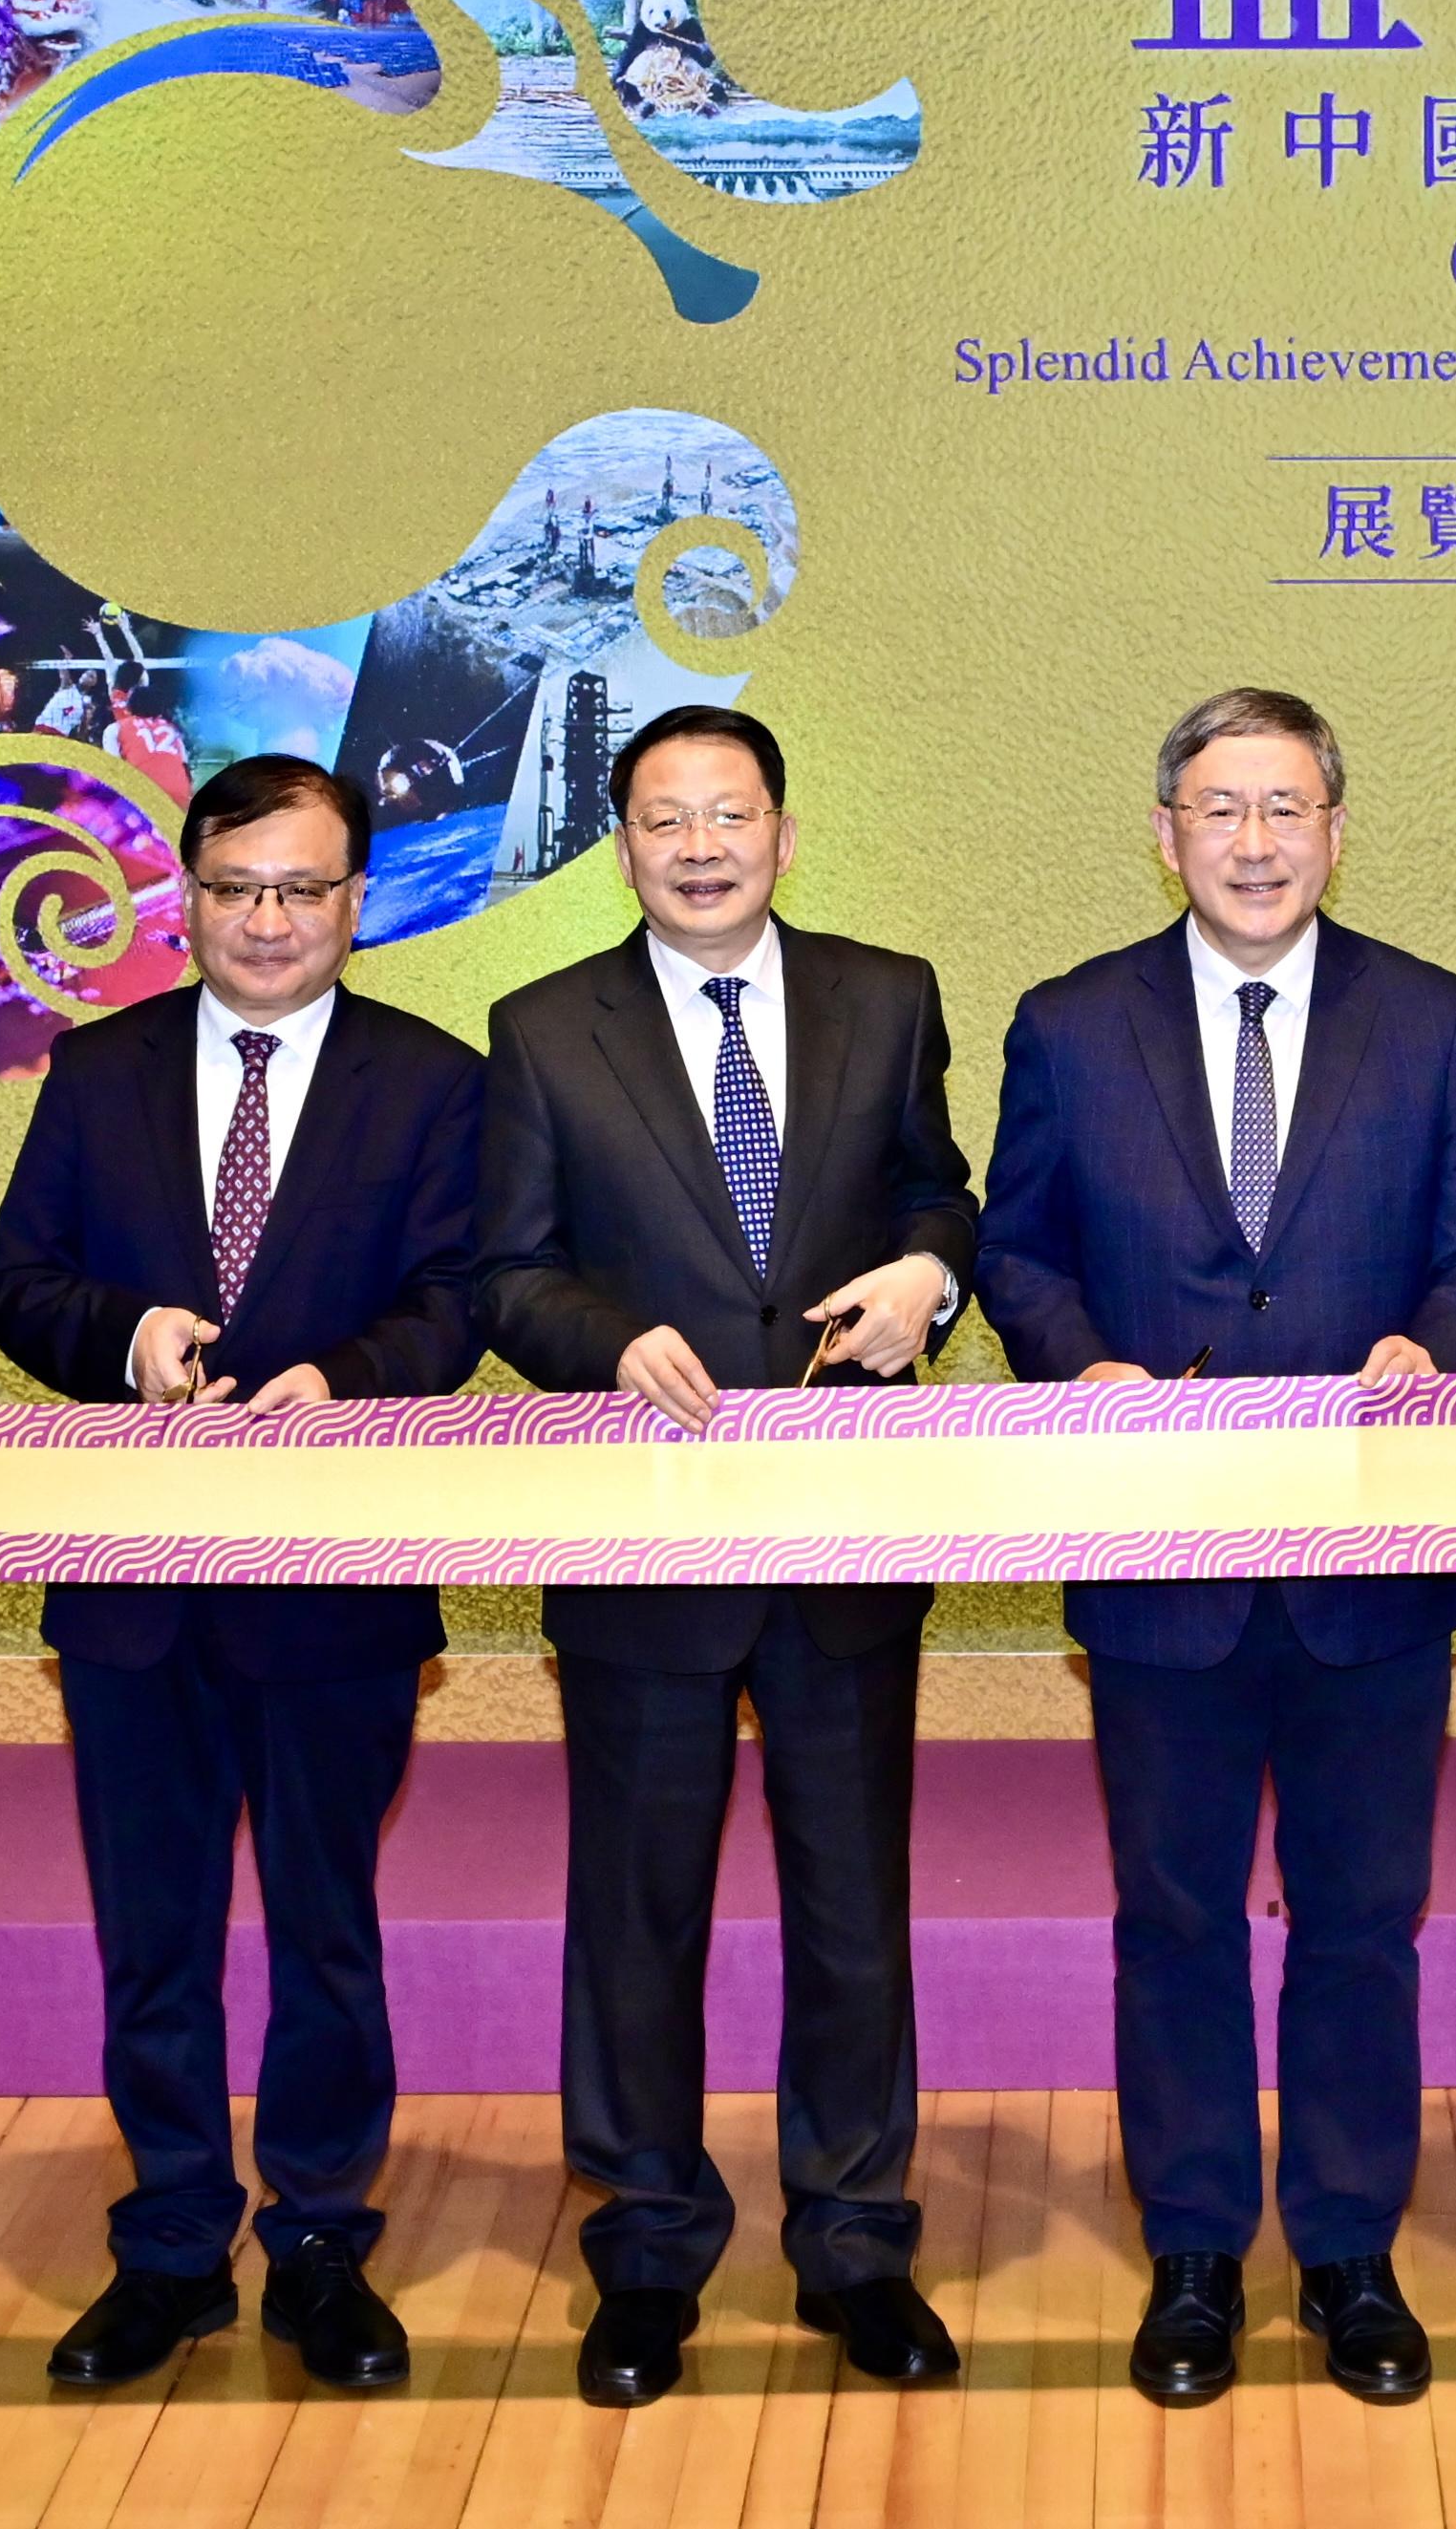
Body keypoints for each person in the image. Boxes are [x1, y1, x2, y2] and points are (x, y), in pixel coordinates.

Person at [978, 685, 1456, 2410]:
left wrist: (1439, 1348)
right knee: (1174, 1916)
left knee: (1363, 1916)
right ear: (1165, 837)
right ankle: (1197, 2249)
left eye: (1286, 807)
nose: (1254, 840)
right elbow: (1018, 1250)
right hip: (1164, 1561)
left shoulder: (1430, 1015)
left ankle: (1351, 2249)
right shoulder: (1070, 1022)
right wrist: (1085, 1369)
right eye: (1219, 809)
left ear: (1335, 831)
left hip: (1373, 1561)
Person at [473, 704, 986, 2410]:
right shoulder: (542, 1028)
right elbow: (509, 1270)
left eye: (731, 813)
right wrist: (603, 1342)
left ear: (783, 829)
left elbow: (938, 1193)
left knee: (853, 1910)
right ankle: (645, 2249)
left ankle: (857, 2242)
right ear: (621, 844)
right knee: (638, 1913)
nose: (700, 845)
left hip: (843, 1534)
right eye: (664, 818)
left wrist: (928, 1277)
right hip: (646, 1538)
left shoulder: (887, 995)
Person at [0, 755, 482, 2395]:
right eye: (234, 887)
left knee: (327, 1927)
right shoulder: (97, 1067)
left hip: (337, 1579)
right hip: (134, 1585)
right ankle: (173, 2242)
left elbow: (458, 1295)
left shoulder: (433, 1080)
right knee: (156, 1934)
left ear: (355, 902)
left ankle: (322, 2235)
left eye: (300, 888)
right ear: (185, 897)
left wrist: (346, 1376)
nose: (266, 919)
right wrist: (121, 1334)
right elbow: (18, 1281)